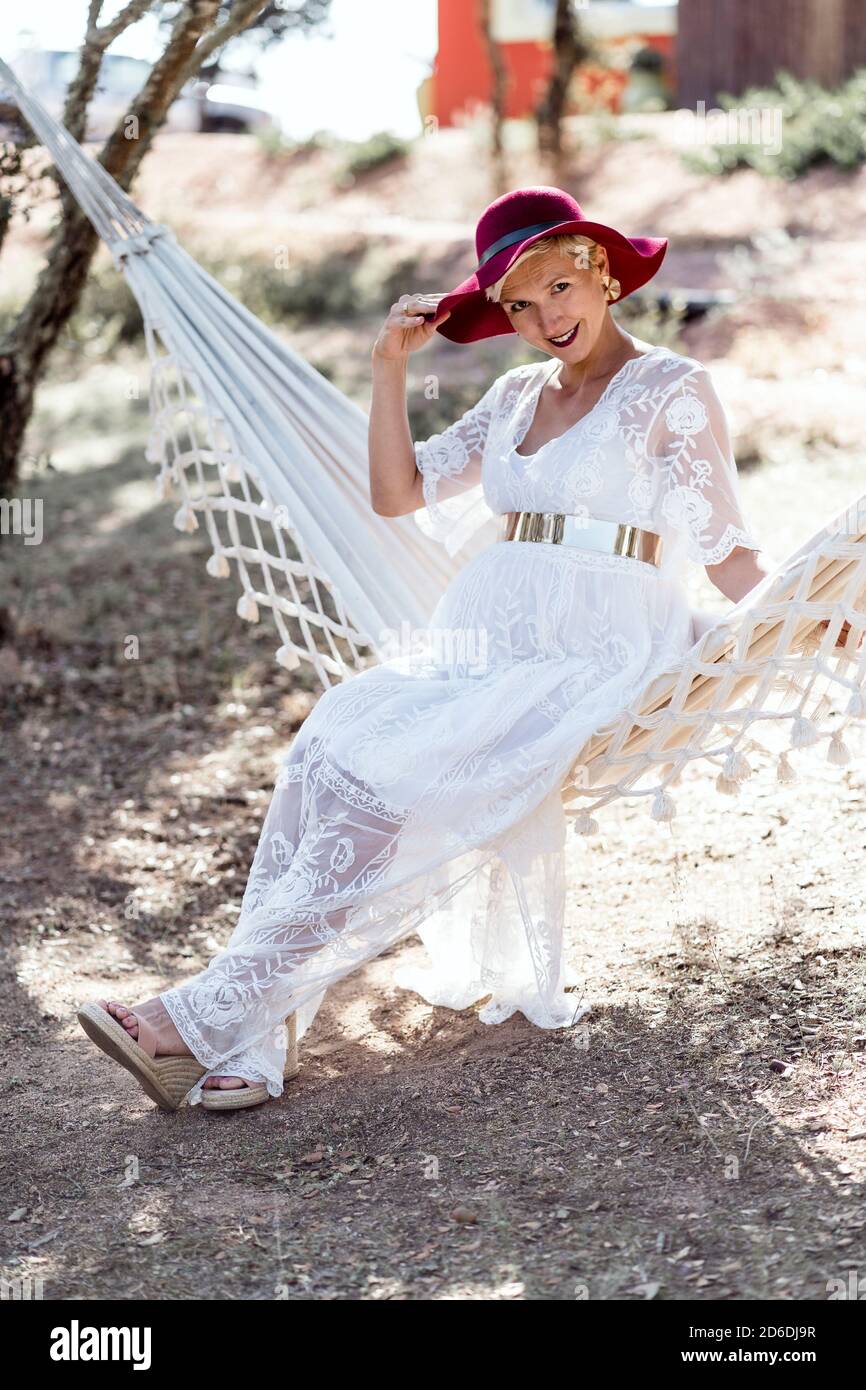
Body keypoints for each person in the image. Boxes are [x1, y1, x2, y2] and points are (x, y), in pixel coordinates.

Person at [77, 184, 806, 1115]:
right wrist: (388, 367)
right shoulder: (513, 397)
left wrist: (804, 610)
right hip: (484, 640)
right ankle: (252, 1039)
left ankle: (198, 1013)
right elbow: (396, 493)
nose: (546, 318)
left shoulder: (671, 390)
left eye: (559, 288)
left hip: (596, 648)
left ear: (604, 273)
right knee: (329, 741)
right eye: (518, 305)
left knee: (388, 785)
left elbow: (728, 551)